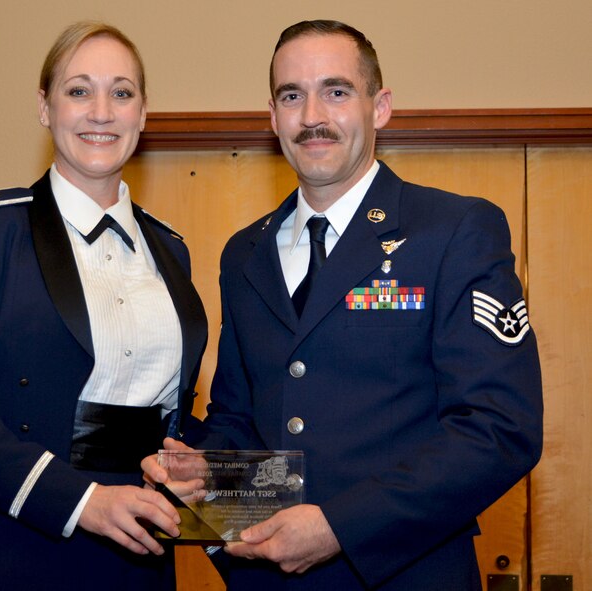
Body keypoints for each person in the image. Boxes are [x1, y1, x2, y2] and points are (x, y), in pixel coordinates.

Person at [143, 19, 543, 590]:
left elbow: (501, 429)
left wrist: (342, 526)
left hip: (407, 573)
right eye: (291, 96)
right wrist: (205, 470)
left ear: (379, 106)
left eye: (336, 91)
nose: (312, 117)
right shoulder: (245, 252)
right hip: (266, 576)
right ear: (272, 116)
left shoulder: (453, 230)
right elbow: (240, 415)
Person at [0, 21, 207, 591]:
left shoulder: (174, 251)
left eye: (121, 92)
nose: (101, 112)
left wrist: (206, 471)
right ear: (45, 107)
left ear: (143, 113)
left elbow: (173, 417)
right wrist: (80, 501)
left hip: (131, 554)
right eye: (78, 90)